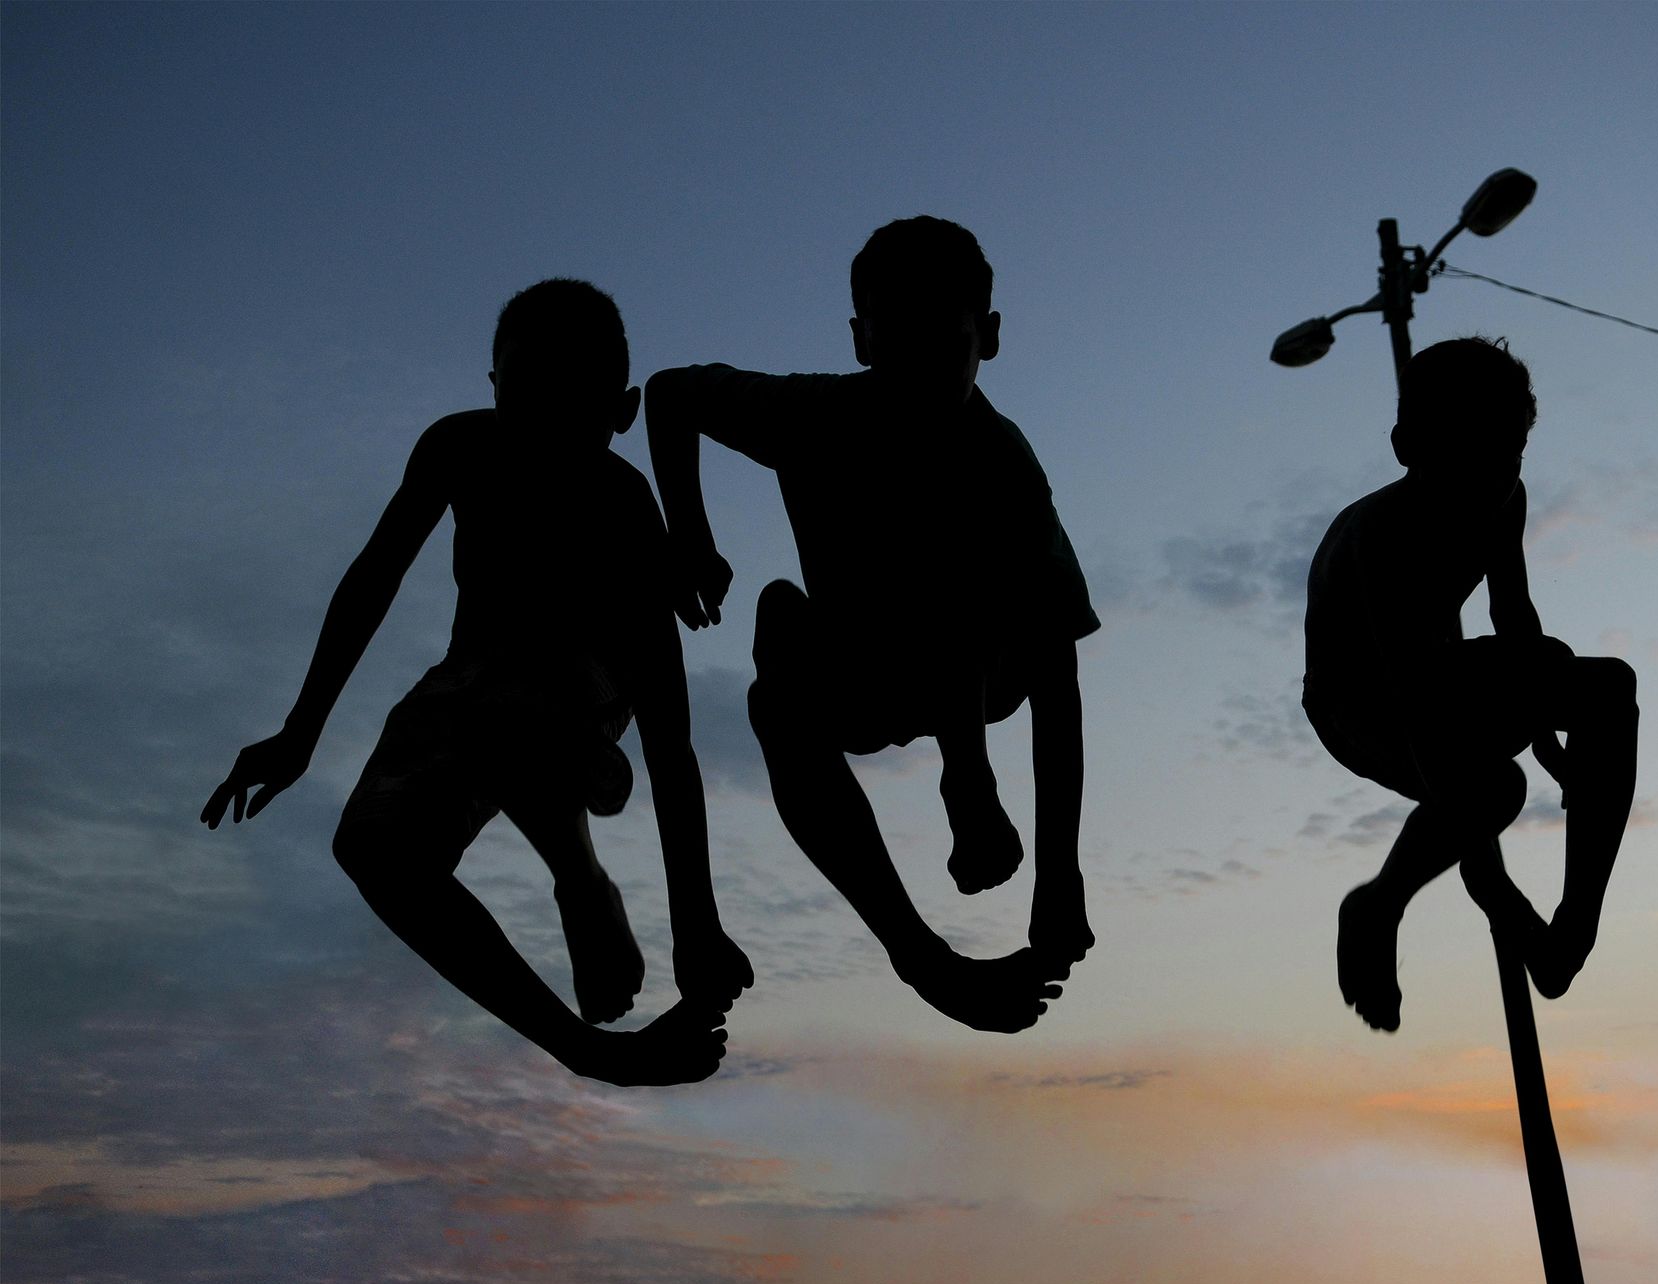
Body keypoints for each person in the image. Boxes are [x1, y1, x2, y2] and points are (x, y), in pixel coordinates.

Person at [202, 279, 752, 1085]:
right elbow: (374, 576)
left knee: (516, 710)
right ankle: (585, 1020)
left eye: (572, 398)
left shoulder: (625, 510)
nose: (541, 419)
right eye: (524, 388)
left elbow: (671, 733)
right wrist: (300, 732)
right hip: (471, 678)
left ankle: (577, 860)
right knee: (371, 844)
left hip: (583, 694)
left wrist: (695, 922)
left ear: (621, 411)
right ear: (493, 387)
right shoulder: (459, 448)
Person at [644, 216, 1098, 1033]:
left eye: (946, 344)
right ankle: (920, 958)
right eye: (899, 344)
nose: (922, 372)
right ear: (862, 340)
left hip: (983, 670)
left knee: (959, 553)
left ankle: (968, 777)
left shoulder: (1003, 462)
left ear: (987, 337)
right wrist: (688, 534)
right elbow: (672, 394)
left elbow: (1056, 666)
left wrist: (1058, 877)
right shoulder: (815, 413)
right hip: (865, 675)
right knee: (779, 614)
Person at [1302, 336, 1639, 1032]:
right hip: (1359, 704)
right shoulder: (1380, 534)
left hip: (1439, 678)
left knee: (1597, 686)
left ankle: (1569, 937)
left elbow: (1512, 615)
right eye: (1470, 457)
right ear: (1408, 448)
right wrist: (1482, 866)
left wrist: (1551, 746)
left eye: (1509, 455)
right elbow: (1412, 701)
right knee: (1492, 790)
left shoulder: (1502, 497)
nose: (1492, 478)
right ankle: (1379, 904)